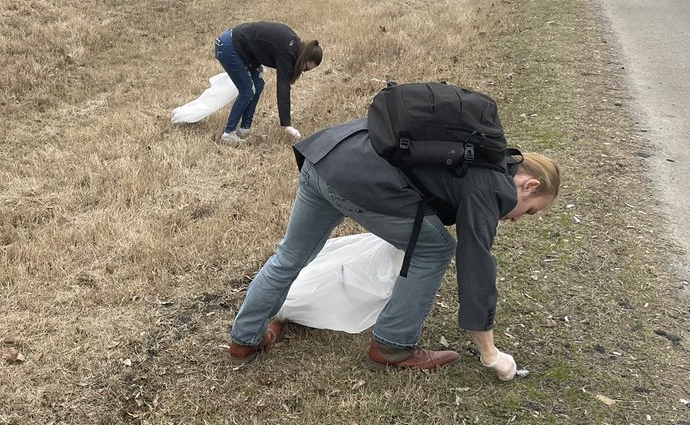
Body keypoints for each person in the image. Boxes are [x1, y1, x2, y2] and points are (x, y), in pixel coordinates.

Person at [227, 117, 560, 380]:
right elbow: (476, 271)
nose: (517, 219)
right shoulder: (494, 186)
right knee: (436, 250)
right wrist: (490, 354)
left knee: (289, 255)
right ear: (529, 185)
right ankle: (393, 347)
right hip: (361, 180)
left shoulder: (484, 148)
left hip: (327, 155)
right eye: (529, 210)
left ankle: (244, 338)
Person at [214, 22, 323, 146]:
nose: (303, 71)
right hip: (228, 46)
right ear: (305, 57)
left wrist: (256, 63)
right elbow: (283, 88)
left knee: (258, 84)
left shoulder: (294, 46)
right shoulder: (288, 53)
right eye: (306, 68)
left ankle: (244, 128)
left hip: (240, 47)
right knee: (247, 91)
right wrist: (286, 124)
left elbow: (261, 43)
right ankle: (228, 133)